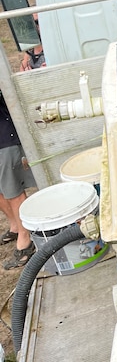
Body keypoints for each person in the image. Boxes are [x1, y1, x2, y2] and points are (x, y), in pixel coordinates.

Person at [0, 95, 35, 269]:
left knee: (13, 189)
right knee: (1, 191)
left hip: (4, 138)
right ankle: (15, 226)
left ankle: (26, 239)